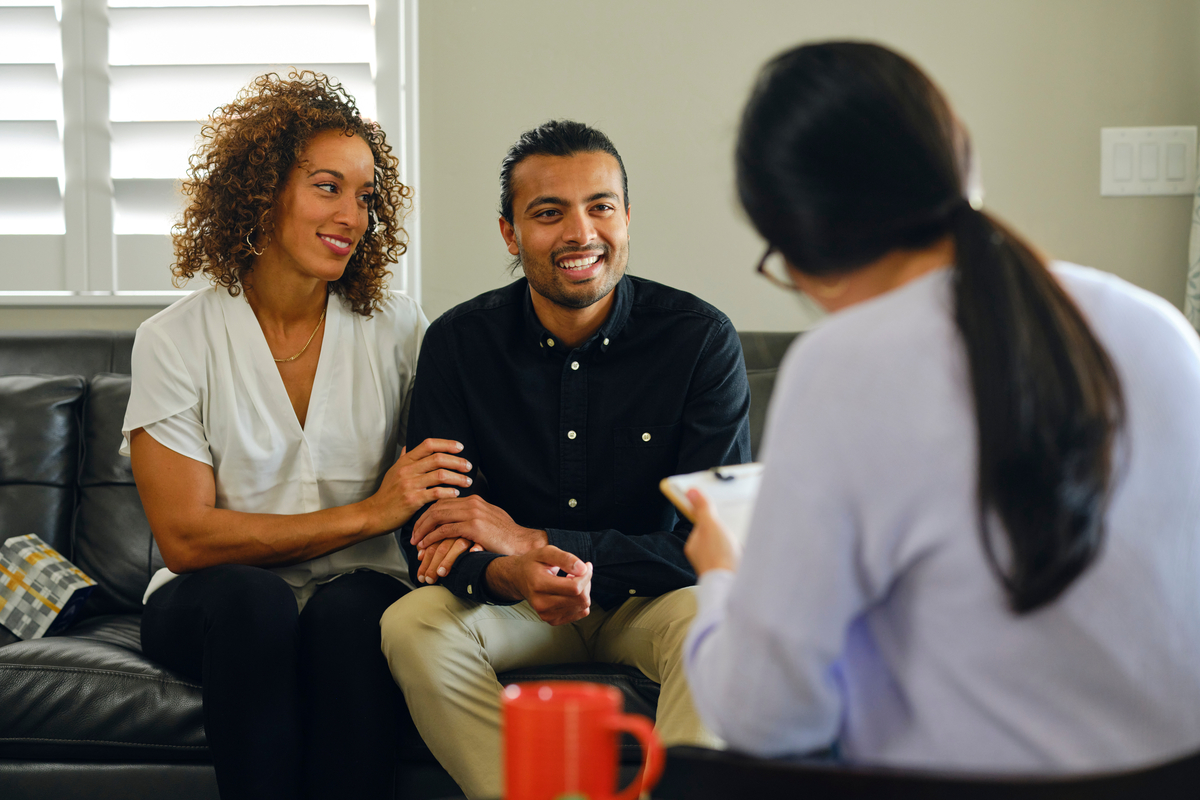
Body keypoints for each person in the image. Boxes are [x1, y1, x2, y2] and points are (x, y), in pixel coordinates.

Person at [682, 41, 1200, 774]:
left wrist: (721, 578)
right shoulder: (1160, 330)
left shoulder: (841, 369)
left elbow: (771, 717)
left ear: (801, 247)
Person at [121, 71, 471, 800]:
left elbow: (445, 480)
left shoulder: (400, 328)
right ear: (261, 191)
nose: (353, 214)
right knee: (258, 604)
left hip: (360, 589)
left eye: (366, 196)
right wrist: (372, 513)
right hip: (215, 605)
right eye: (326, 187)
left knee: (351, 615)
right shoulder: (174, 340)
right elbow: (186, 538)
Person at [378, 120, 751, 799]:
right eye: (548, 213)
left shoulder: (698, 341)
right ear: (509, 234)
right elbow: (432, 530)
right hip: (517, 604)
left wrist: (533, 541)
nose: (580, 233)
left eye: (600, 206)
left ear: (627, 218)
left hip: (652, 601)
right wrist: (507, 571)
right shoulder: (460, 344)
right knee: (411, 624)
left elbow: (714, 548)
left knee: (721, 618)